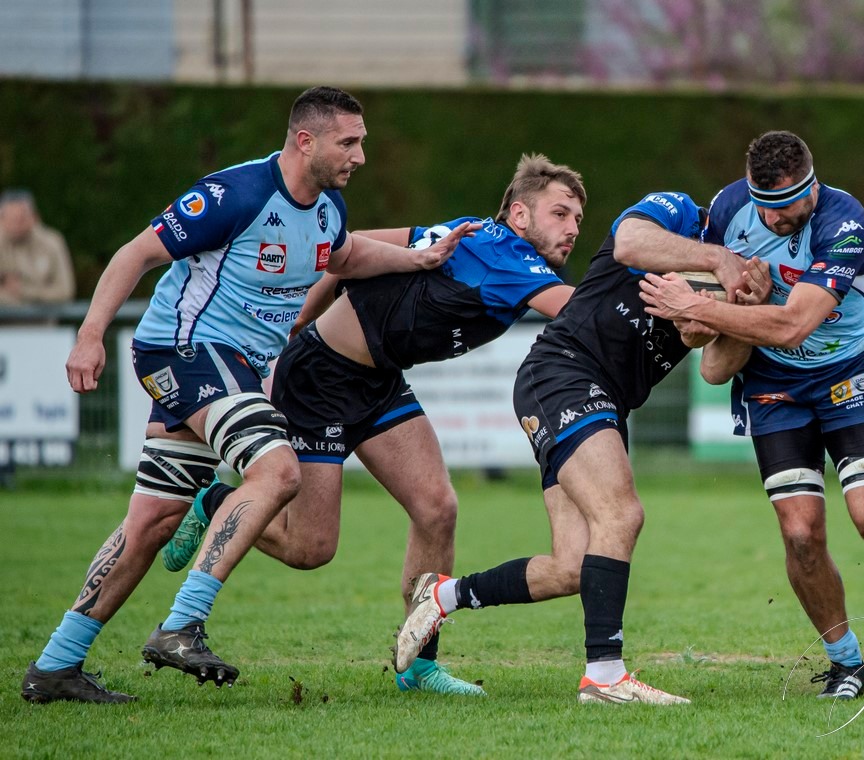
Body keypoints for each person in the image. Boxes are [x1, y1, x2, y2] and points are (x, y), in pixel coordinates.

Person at [21, 86, 472, 704]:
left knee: (153, 520)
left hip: (227, 368)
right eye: (349, 141)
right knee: (279, 471)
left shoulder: (327, 209)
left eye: (361, 141)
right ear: (304, 140)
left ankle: (55, 666)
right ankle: (182, 625)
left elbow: (342, 256)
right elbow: (138, 252)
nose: (360, 155)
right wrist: (91, 333)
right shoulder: (237, 194)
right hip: (185, 353)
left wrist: (416, 260)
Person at [159, 153, 587, 697]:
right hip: (321, 380)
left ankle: (418, 665)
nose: (572, 228)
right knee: (310, 549)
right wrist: (302, 326)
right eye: (560, 213)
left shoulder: (466, 234)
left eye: (577, 218)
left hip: (379, 380)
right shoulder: (502, 252)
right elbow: (578, 314)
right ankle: (216, 503)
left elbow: (349, 246)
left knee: (437, 508)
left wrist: (303, 318)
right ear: (520, 216)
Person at [394, 190, 763, 705]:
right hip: (565, 371)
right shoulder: (678, 213)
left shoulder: (745, 274)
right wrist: (718, 262)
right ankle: (605, 676)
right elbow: (630, 241)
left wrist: (742, 308)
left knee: (571, 566)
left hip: (602, 397)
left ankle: (443, 594)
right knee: (622, 514)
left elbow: (715, 369)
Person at [638, 130, 864, 700]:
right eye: (768, 206)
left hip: (847, 375)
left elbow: (792, 326)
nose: (780, 216)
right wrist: (706, 313)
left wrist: (703, 307)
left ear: (813, 184)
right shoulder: (729, 211)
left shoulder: (844, 221)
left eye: (791, 201)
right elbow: (704, 340)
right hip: (772, 387)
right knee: (801, 534)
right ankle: (845, 662)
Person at [0, 189, 76, 306]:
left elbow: (65, 291)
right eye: (10, 218)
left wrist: (24, 291)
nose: (15, 225)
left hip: (42, 322)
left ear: (34, 217)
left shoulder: (52, 242)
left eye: (20, 219)